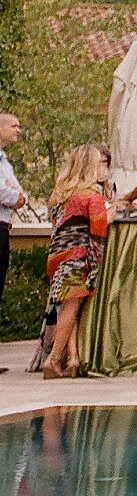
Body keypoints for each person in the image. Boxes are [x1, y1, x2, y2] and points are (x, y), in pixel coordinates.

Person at [40, 143, 112, 379]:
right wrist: (94, 266)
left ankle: (73, 359)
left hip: (56, 257)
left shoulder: (59, 193)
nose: (104, 169)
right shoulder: (93, 196)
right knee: (70, 310)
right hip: (78, 257)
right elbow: (98, 232)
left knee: (68, 308)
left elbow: (55, 226)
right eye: (100, 164)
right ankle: (52, 360)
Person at [0, 110, 23, 352]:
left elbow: (18, 192)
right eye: (13, 126)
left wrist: (15, 194)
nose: (18, 130)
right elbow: (5, 194)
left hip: (5, 229)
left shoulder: (5, 163)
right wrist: (14, 195)